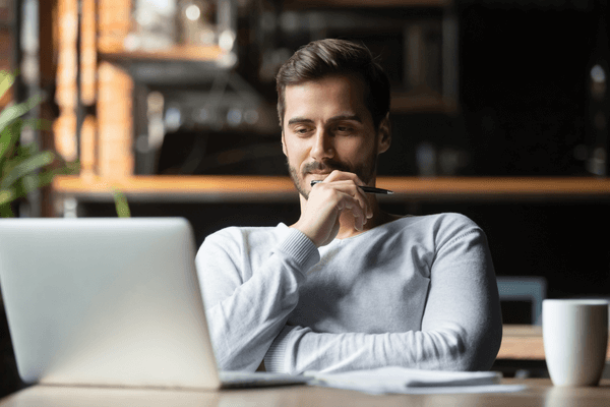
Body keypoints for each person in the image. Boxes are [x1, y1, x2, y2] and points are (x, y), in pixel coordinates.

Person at [195, 39, 502, 374]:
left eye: (342, 129)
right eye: (302, 129)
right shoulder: (229, 250)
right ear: (283, 140)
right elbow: (206, 363)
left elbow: (458, 356)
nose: (319, 151)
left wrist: (274, 352)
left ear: (382, 134)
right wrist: (304, 239)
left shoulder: (446, 236)